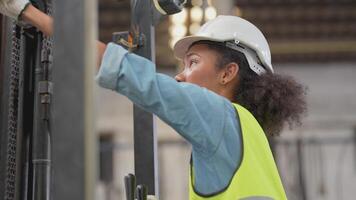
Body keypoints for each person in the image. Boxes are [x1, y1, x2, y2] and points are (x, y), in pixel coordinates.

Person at [1, 1, 307, 199]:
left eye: (193, 63)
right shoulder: (248, 135)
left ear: (228, 73)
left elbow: (129, 74)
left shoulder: (220, 115)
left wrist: (29, 12)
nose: (180, 76)